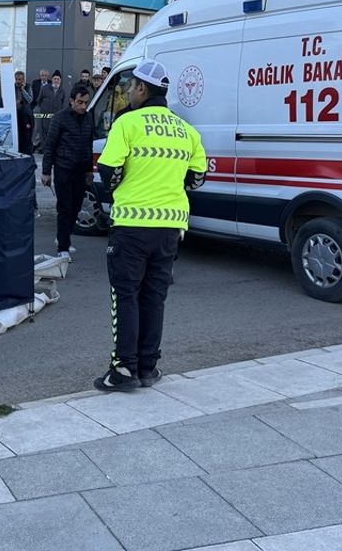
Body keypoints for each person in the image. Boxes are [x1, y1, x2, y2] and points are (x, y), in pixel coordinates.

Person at [93, 60, 206, 392]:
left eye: (131, 86)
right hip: (170, 228)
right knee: (154, 297)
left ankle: (123, 370)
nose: (128, 91)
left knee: (125, 296)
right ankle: (148, 367)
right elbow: (197, 178)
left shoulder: (127, 124)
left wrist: (125, 185)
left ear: (143, 88)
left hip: (131, 225)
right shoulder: (186, 130)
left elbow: (108, 171)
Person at [41, 84, 94, 257]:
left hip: (80, 171)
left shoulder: (88, 118)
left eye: (86, 102)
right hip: (63, 169)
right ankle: (63, 248)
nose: (83, 106)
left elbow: (88, 145)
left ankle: (63, 237)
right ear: (72, 100)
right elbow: (50, 146)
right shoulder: (60, 118)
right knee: (64, 208)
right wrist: (46, 171)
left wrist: (89, 170)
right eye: (80, 102)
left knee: (76, 206)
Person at [14, 71, 35, 155]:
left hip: (26, 115)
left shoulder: (28, 86)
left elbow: (30, 100)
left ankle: (27, 152)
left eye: (20, 79)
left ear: (23, 79)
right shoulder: (12, 87)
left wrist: (22, 89)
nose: (18, 81)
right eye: (17, 79)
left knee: (27, 135)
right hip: (16, 114)